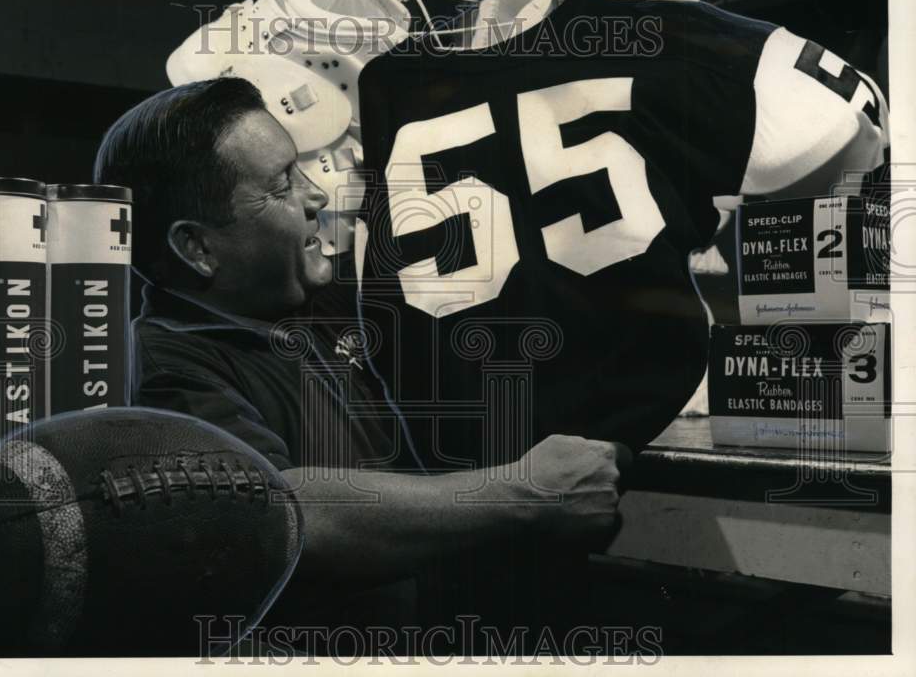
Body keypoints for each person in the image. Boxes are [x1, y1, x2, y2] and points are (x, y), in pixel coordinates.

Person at [93, 76, 630, 655]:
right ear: (197, 247)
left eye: (299, 170)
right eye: (280, 186)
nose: (314, 197)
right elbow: (277, 510)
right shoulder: (167, 368)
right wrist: (525, 494)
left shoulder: (317, 299)